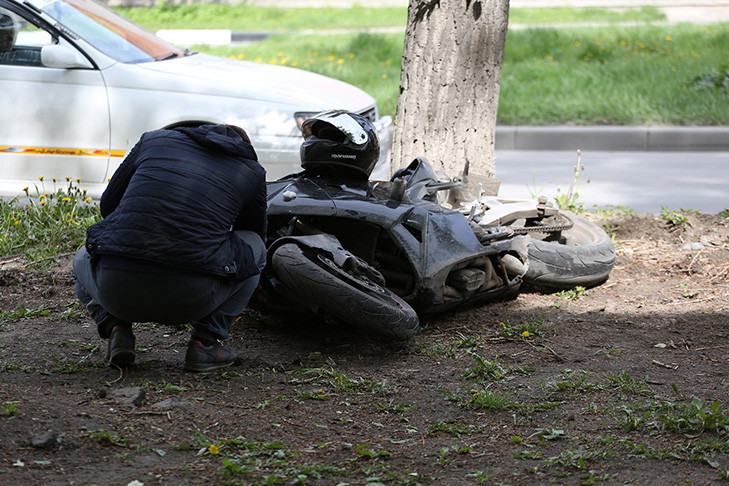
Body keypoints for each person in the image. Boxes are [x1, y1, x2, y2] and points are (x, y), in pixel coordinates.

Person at [73, 124, 267, 372]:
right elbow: (252, 235)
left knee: (82, 255)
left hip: (116, 291)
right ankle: (205, 344)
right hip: (189, 299)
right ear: (244, 149)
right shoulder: (251, 170)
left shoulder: (152, 141)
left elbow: (109, 204)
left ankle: (116, 329)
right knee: (256, 246)